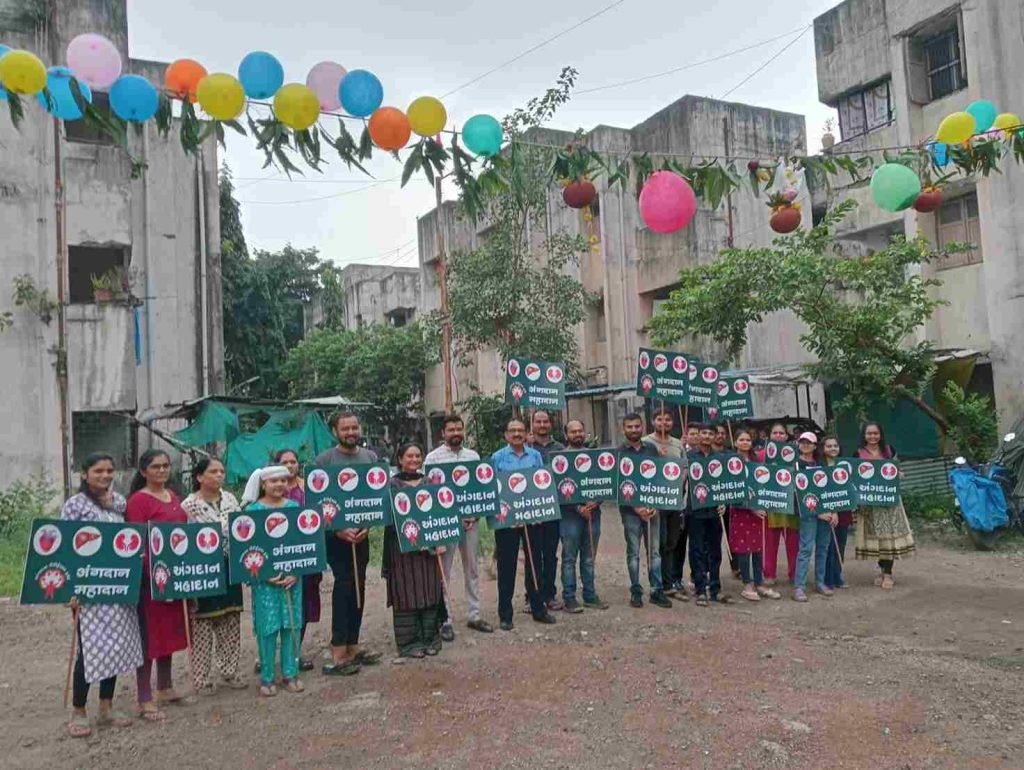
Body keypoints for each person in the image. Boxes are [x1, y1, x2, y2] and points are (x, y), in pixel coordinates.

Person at [62, 453, 144, 738]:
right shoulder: (75, 506)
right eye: (98, 471)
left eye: (109, 470)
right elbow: (66, 548)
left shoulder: (118, 503)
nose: (105, 475)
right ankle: (79, 710)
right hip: (88, 591)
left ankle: (106, 707)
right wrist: (71, 590)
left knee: (116, 646)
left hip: (118, 587)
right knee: (90, 650)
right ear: (85, 474)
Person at [314, 412, 382, 675]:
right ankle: (338, 648)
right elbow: (317, 502)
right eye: (345, 429)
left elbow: (376, 499)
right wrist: (338, 530)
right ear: (335, 431)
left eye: (355, 427)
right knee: (343, 587)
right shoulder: (324, 461)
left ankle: (354, 644)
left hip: (362, 536)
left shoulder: (370, 458)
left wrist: (368, 526)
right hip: (336, 536)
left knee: (359, 586)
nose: (351, 432)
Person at [126, 449, 189, 721]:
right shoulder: (137, 501)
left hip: (174, 577)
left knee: (169, 634)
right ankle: (144, 697)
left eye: (165, 466)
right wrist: (154, 572)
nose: (162, 471)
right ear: (143, 471)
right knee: (149, 638)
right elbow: (138, 541)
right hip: (150, 580)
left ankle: (165, 687)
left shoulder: (173, 497)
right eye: (155, 467)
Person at [180, 458, 246, 695]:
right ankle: (202, 678)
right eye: (213, 471)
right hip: (204, 570)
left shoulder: (230, 499)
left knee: (230, 620)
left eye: (221, 471)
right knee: (203, 624)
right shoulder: (189, 506)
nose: (219, 475)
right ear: (199, 477)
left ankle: (229, 671)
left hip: (230, 567)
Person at [424, 415, 494, 638]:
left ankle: (474, 615)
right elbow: (430, 495)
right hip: (447, 524)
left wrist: (474, 515)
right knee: (444, 571)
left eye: (458, 429)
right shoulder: (433, 459)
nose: (455, 433)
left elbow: (479, 490)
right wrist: (453, 517)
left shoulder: (472, 456)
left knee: (471, 568)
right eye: (451, 429)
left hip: (471, 522)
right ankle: (445, 619)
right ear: (442, 433)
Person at [241, 466, 304, 696]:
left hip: (292, 579)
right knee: (268, 628)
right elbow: (246, 550)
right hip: (264, 582)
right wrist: (264, 574)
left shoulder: (295, 508)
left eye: (283, 480)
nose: (279, 484)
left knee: (291, 624)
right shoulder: (252, 511)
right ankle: (267, 677)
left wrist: (296, 572)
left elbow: (304, 544)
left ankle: (290, 672)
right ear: (263, 484)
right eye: (273, 481)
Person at [384, 443, 448, 658]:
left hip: (428, 551)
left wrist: (441, 538)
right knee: (406, 593)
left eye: (417, 455)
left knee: (430, 590)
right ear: (400, 459)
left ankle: (431, 638)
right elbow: (390, 518)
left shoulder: (430, 483)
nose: (414, 460)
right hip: (402, 550)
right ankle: (409, 643)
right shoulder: (391, 485)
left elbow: (440, 514)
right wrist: (411, 535)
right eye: (409, 456)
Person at [491, 418, 553, 629]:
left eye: (520, 430)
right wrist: (507, 515)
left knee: (535, 564)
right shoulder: (497, 457)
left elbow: (542, 484)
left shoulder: (535, 456)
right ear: (506, 435)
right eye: (512, 430)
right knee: (506, 566)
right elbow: (492, 489)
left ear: (527, 434)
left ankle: (538, 608)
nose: (517, 434)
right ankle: (505, 614)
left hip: (532, 519)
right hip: (507, 521)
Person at [618, 413, 672, 609]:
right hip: (631, 512)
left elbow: (659, 479)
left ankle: (656, 590)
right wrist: (636, 507)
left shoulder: (652, 449)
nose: (633, 430)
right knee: (633, 553)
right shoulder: (619, 453)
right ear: (623, 429)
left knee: (655, 552)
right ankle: (636, 591)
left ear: (642, 427)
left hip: (652, 509)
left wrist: (655, 503)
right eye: (629, 426)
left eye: (636, 426)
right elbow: (619, 484)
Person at [274, 448, 320, 672]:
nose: (290, 465)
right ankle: (271, 653)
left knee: (303, 604)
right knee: (276, 605)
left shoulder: (308, 488)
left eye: (294, 461)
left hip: (306, 555)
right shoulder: (270, 489)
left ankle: (294, 651)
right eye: (285, 462)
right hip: (278, 556)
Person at [855, 422, 915, 588]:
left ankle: (888, 574)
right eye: (869, 434)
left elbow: (895, 470)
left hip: (889, 502)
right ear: (864, 435)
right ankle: (881, 571)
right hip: (870, 503)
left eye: (875, 433)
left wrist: (899, 474)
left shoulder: (889, 451)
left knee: (889, 538)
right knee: (878, 540)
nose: (872, 437)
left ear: (880, 435)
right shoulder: (858, 453)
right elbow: (855, 476)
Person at [559, 420, 608, 612]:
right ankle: (569, 598)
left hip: (593, 515)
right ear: (566, 435)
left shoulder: (594, 457)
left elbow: (605, 483)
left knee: (589, 558)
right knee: (569, 558)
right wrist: (578, 507)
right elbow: (558, 488)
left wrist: (596, 502)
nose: (577, 434)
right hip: (569, 516)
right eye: (573, 432)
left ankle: (589, 595)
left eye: (580, 431)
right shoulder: (560, 460)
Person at [727, 430, 781, 602]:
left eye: (748, 439)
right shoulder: (730, 462)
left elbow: (764, 484)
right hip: (741, 511)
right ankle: (747, 583)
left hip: (759, 511)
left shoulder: (758, 461)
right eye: (741, 439)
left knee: (758, 548)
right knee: (744, 549)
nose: (745, 442)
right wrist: (751, 508)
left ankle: (760, 582)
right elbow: (731, 490)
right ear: (735, 442)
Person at [643, 407, 687, 602]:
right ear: (653, 422)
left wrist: (678, 487)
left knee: (671, 543)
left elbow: (684, 468)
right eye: (659, 419)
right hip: (655, 503)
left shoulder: (678, 444)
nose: (664, 423)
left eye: (667, 419)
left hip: (674, 501)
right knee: (656, 545)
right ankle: (657, 585)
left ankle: (669, 585)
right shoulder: (645, 443)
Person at [688, 424, 732, 606]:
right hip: (695, 510)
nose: (706, 436)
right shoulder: (688, 457)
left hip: (715, 511)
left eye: (710, 433)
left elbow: (726, 484)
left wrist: (724, 502)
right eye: (703, 433)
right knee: (697, 550)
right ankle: (700, 589)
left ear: (715, 436)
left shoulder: (721, 458)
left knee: (715, 551)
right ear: (698, 436)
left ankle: (715, 588)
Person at [529, 410, 565, 611]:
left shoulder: (560, 448)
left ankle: (549, 594)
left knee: (550, 554)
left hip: (553, 510)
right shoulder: (525, 448)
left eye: (545, 421)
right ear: (532, 424)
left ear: (550, 424)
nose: (542, 424)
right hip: (532, 511)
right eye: (538, 421)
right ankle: (532, 595)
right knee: (532, 555)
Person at [792, 432, 834, 602]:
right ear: (798, 444)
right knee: (805, 549)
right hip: (808, 514)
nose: (806, 445)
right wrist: (818, 511)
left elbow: (831, 489)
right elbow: (798, 493)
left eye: (809, 442)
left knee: (823, 548)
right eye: (803, 442)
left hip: (825, 512)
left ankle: (820, 582)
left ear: (816, 446)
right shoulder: (795, 465)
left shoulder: (822, 464)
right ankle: (799, 587)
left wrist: (832, 511)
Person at [761, 422, 799, 586]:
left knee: (793, 541)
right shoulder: (762, 455)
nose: (778, 436)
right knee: (770, 541)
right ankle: (769, 574)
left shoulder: (796, 455)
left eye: (781, 433)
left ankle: (795, 574)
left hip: (792, 503)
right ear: (769, 436)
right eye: (775, 433)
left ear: (786, 436)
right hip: (771, 503)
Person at [821, 436, 852, 590]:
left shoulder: (845, 465)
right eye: (829, 446)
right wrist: (831, 510)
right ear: (823, 448)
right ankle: (827, 578)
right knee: (828, 545)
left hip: (844, 511)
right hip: (827, 511)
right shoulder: (820, 466)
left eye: (835, 445)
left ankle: (838, 575)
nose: (832, 448)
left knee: (840, 544)